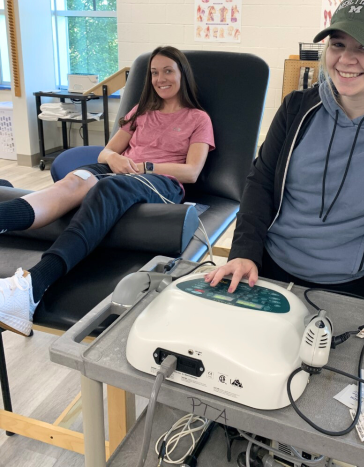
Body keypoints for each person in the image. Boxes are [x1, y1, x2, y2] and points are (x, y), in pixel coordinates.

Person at [205, 0, 364, 343]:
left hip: (355, 290)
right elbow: (259, 183)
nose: (346, 60)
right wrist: (245, 252)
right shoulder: (296, 109)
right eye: (337, 44)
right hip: (270, 272)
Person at [0, 46, 215, 336]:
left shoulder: (198, 118)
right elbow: (106, 152)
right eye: (154, 73)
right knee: (73, 181)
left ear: (182, 74)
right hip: (119, 169)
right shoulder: (140, 111)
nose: (160, 78)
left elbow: (191, 172)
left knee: (108, 187)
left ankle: (32, 287)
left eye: (168, 71)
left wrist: (145, 165)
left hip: (161, 181)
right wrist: (114, 158)